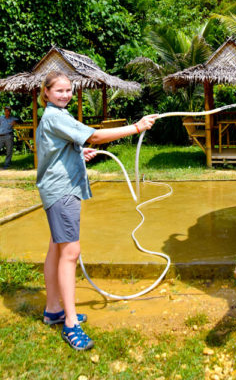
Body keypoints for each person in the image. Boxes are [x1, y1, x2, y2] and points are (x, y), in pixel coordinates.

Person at [36, 70, 158, 351]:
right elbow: (96, 136)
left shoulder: (56, 116)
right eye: (59, 91)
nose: (65, 94)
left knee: (56, 248)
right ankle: (69, 324)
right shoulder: (55, 116)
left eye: (68, 90)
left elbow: (55, 149)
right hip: (62, 192)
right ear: (46, 92)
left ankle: (53, 309)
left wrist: (78, 153)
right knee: (70, 252)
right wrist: (136, 128)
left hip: (56, 189)